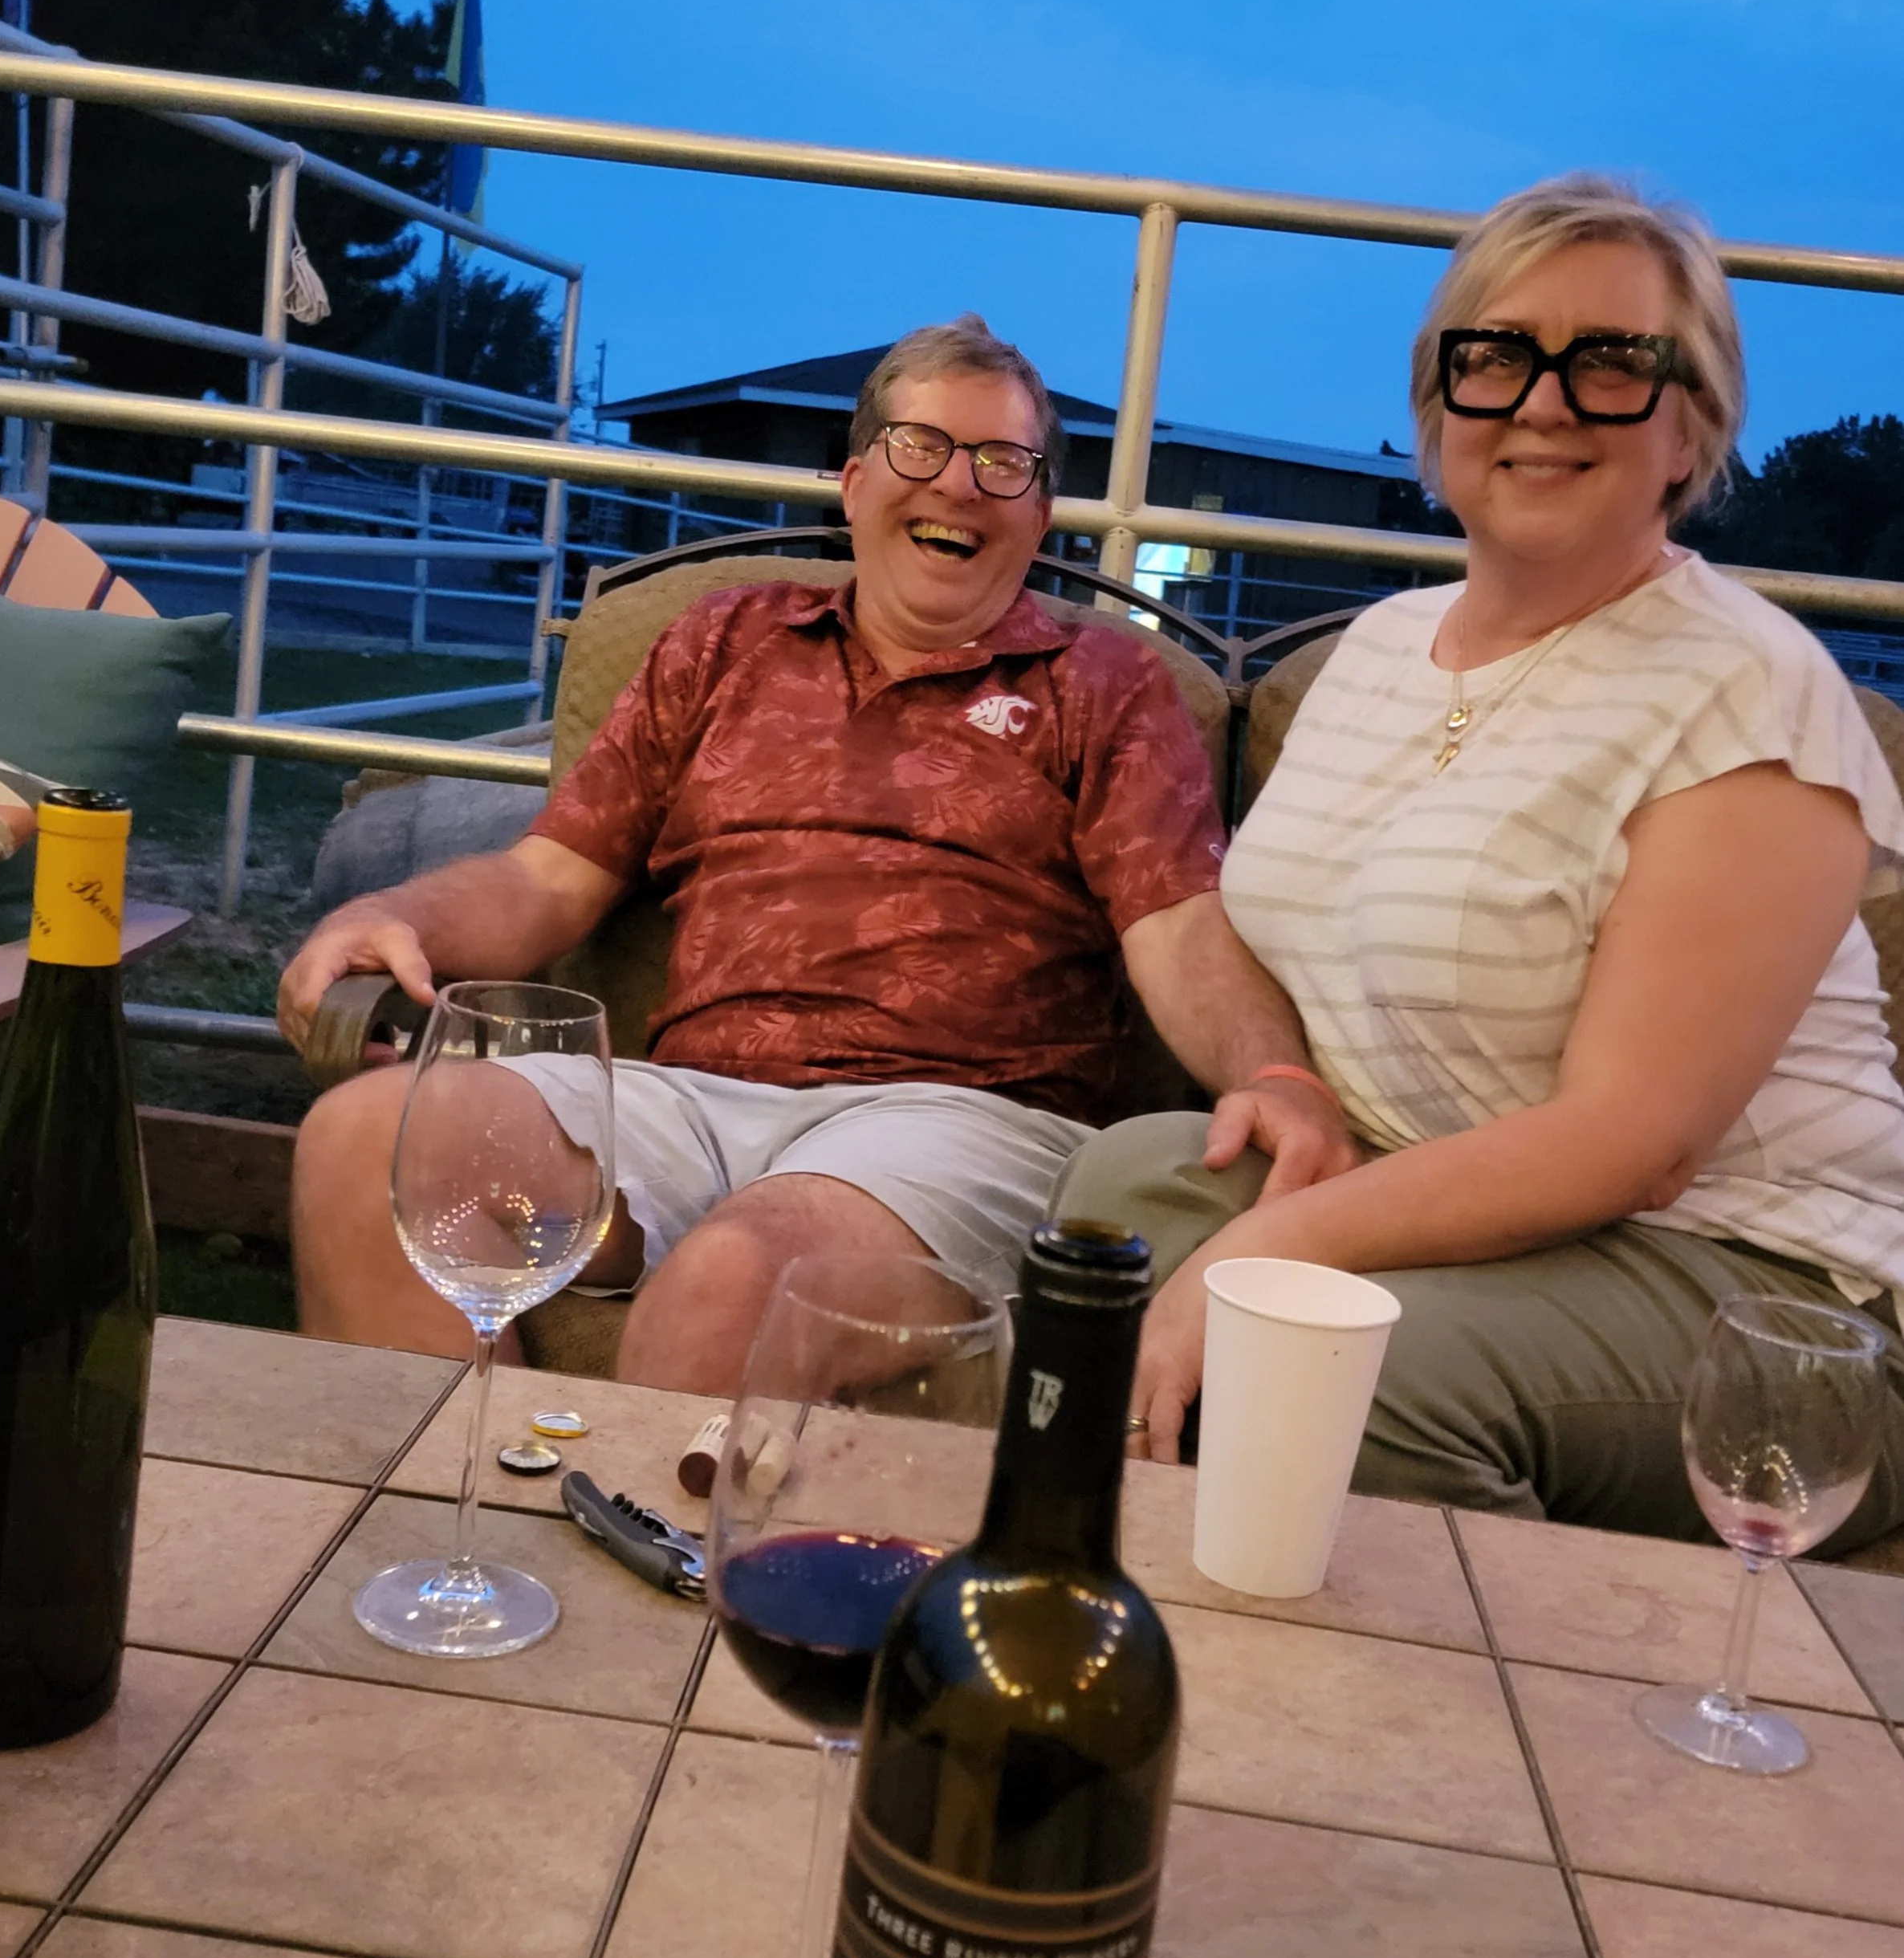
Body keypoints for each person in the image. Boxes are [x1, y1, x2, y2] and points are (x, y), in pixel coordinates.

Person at [281, 315, 1359, 1389]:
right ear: (852, 481)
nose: (958, 485)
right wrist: (399, 918)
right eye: (919, 446)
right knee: (363, 1149)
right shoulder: (724, 641)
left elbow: (1176, 923)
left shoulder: (1107, 686)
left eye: (1003, 464)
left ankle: (649, 1549)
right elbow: (547, 876)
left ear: (1041, 518)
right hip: (682, 1100)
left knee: (735, 1284)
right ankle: (445, 1541)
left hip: (952, 1121)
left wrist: (1273, 1074)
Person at [1061, 175, 1904, 1545]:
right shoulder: (1380, 652)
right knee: (1114, 1201)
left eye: (1614, 364)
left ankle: (1446, 1729)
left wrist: (1270, 1244)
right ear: (1435, 403)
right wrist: (1283, 1095)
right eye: (1497, 356)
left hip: (1757, 1280)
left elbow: (1633, 1146)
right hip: (1467, 1201)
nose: (1544, 401)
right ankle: (1131, 1605)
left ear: (1693, 427)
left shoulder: (1750, 697)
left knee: (1358, 1373)